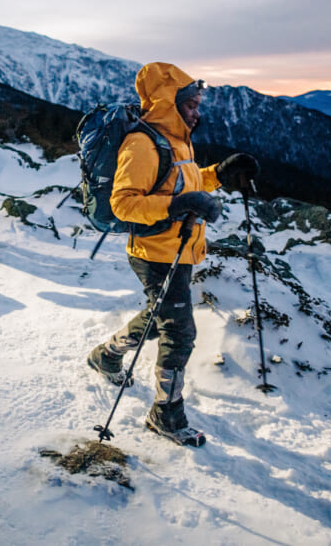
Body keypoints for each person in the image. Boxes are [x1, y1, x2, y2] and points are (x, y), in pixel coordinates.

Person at [86, 62, 259, 446]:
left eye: (198, 104)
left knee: (160, 313)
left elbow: (186, 181)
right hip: (154, 252)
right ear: (169, 102)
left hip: (176, 251)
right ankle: (166, 414)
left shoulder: (176, 139)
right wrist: (178, 205)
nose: (198, 112)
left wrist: (221, 171)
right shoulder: (142, 144)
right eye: (192, 104)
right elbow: (124, 205)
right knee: (179, 332)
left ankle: (107, 356)